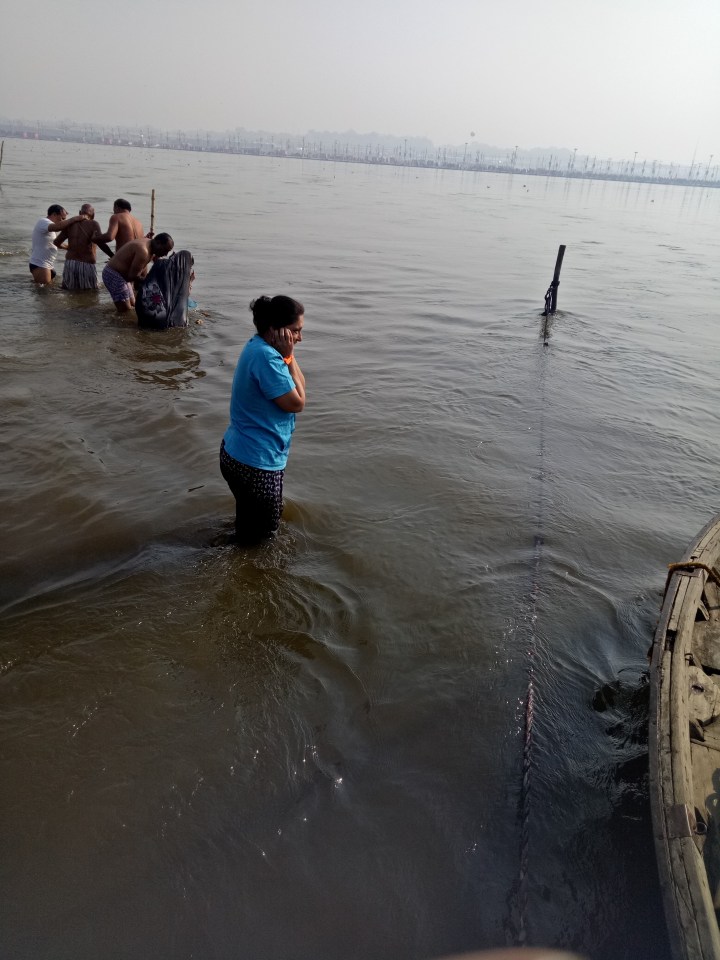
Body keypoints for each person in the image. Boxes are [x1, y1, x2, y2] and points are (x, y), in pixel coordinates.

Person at [220, 295, 306, 546]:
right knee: (262, 539)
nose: (299, 338)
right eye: (295, 331)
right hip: (256, 464)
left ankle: (232, 544)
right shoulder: (268, 358)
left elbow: (299, 390)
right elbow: (298, 402)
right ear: (275, 330)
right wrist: (288, 358)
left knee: (248, 526)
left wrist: (288, 356)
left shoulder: (258, 347)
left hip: (237, 454)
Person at [101, 233, 174, 313]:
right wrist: (152, 282)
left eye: (168, 251)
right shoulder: (144, 251)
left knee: (133, 305)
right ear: (158, 242)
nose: (166, 254)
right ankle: (114, 324)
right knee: (125, 311)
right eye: (165, 250)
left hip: (123, 276)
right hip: (114, 274)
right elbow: (132, 276)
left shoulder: (150, 243)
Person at [53, 204, 115, 290]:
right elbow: (100, 243)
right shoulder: (94, 224)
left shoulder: (70, 224)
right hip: (86, 264)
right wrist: (112, 256)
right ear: (93, 215)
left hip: (70, 263)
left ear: (79, 213)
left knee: (68, 290)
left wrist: (68, 248)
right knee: (91, 292)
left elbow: (56, 242)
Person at [29, 205, 87, 285]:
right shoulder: (43, 221)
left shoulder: (48, 227)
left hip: (47, 264)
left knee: (47, 289)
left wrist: (71, 248)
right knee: (44, 293)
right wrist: (74, 219)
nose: (63, 221)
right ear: (54, 215)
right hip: (40, 264)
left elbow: (54, 243)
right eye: (62, 218)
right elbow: (57, 227)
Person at [135, 250, 194, 329]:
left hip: (148, 314)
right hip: (171, 322)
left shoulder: (160, 264)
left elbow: (147, 283)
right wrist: (190, 282)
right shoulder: (181, 277)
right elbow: (184, 297)